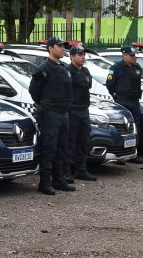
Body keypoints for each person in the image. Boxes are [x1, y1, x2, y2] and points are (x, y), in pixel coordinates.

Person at [28, 36, 76, 195]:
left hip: (64, 113)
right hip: (51, 113)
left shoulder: (63, 67)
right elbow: (34, 91)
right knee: (49, 148)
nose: (63, 49)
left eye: (64, 46)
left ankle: (59, 179)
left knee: (62, 148)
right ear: (50, 48)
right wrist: (46, 105)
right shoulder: (44, 68)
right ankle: (45, 182)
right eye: (59, 46)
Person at [105, 46, 143, 164]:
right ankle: (120, 155)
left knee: (135, 128)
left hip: (134, 101)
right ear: (124, 55)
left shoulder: (137, 67)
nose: (134, 58)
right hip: (122, 101)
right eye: (131, 56)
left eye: (134, 55)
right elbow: (110, 84)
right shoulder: (117, 67)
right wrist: (116, 96)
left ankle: (132, 154)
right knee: (123, 129)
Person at [67, 45, 97, 181]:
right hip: (72, 110)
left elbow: (88, 83)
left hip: (84, 109)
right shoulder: (68, 70)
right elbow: (78, 83)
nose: (83, 57)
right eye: (80, 54)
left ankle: (81, 170)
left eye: (84, 54)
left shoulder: (85, 70)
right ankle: (67, 171)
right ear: (72, 56)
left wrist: (81, 81)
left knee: (83, 142)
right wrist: (81, 81)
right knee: (69, 142)